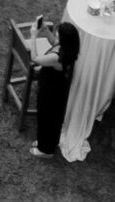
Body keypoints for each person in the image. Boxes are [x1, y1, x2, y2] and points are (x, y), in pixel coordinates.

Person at [32, 20, 82, 159]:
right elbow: (54, 42)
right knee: (49, 119)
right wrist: (45, 31)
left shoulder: (56, 58)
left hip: (51, 91)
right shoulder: (68, 50)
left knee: (47, 118)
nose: (56, 37)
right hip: (56, 89)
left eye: (59, 35)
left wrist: (34, 36)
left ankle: (46, 150)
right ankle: (45, 143)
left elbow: (35, 58)